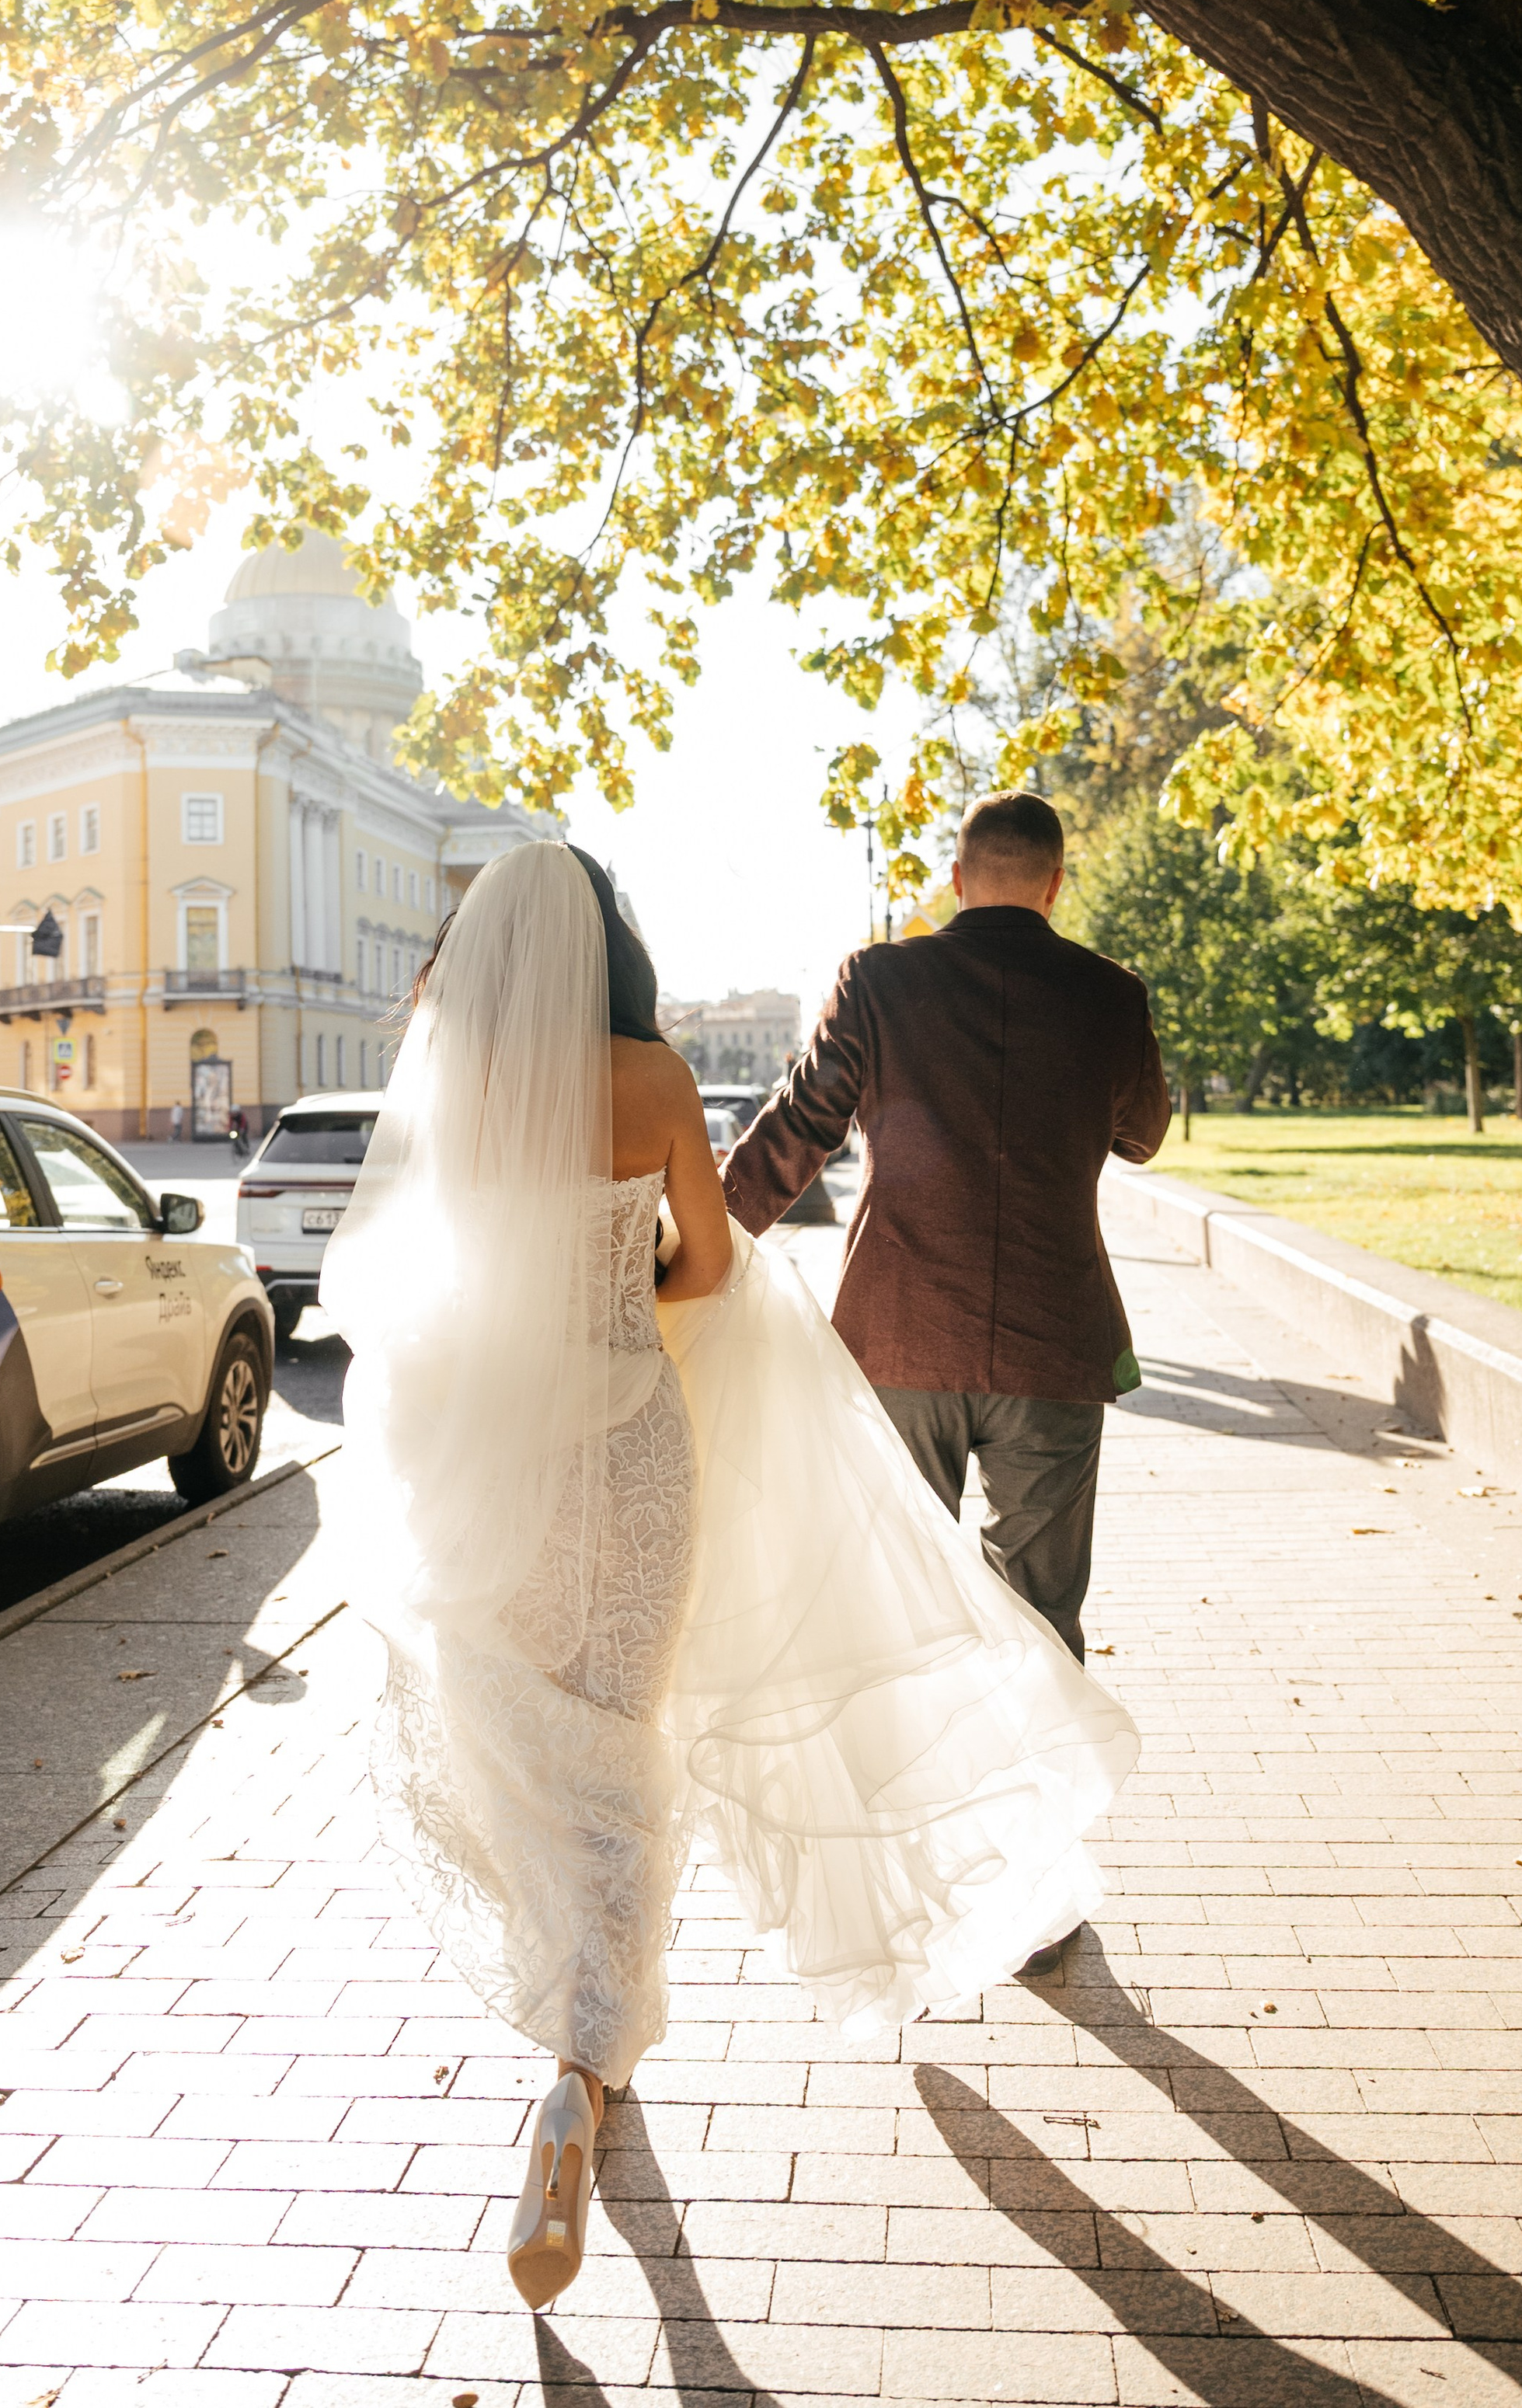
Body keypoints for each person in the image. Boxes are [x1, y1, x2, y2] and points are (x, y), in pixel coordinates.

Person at [323, 842, 1137, 2312]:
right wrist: (617, 1285)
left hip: (476, 1462)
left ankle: (571, 2058)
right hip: (632, 1448)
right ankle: (589, 2064)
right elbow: (705, 1262)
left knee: (522, 1744)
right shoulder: (646, 1080)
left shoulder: (444, 1079)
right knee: (627, 1746)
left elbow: (410, 1274)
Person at [721, 789, 1170, 1971]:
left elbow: (797, 1129)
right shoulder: (1111, 995)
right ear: (1056, 884)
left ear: (958, 875)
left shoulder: (881, 981)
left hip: (899, 1342)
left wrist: (702, 1240)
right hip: (1053, 1348)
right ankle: (1044, 1890)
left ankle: (916, 1868)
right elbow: (1145, 1134)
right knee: (1042, 1612)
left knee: (897, 1611)